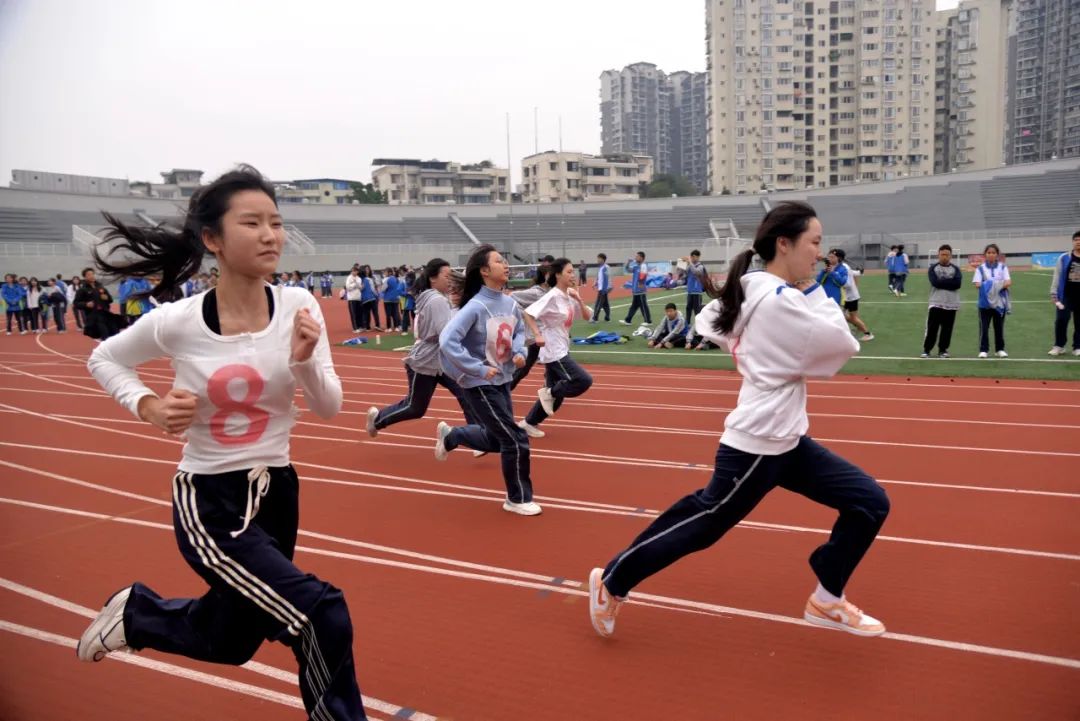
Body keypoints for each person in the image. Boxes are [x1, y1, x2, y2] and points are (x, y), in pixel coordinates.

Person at [79, 165, 368, 720]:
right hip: (211, 502)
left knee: (231, 642)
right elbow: (105, 357)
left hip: (278, 493)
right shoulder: (178, 322)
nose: (270, 235)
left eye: (276, 223)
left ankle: (138, 617)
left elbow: (329, 407)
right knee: (319, 612)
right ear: (212, 239)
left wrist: (303, 364)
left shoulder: (298, 307)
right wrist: (150, 406)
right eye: (253, 223)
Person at [587, 201, 890, 640]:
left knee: (869, 502)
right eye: (815, 243)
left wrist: (751, 352)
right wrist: (814, 291)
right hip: (758, 442)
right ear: (783, 245)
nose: (819, 255)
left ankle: (827, 598)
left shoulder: (751, 286)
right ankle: (612, 583)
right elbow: (840, 346)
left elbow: (712, 320)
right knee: (703, 524)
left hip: (786, 439)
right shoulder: (779, 300)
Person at [435, 244, 540, 516]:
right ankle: (517, 498)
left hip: (502, 380)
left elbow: (517, 331)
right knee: (515, 438)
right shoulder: (475, 307)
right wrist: (477, 369)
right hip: (479, 384)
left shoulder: (509, 302)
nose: (505, 265)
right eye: (498, 261)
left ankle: (455, 435)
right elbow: (448, 341)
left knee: (498, 440)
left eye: (505, 261)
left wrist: (519, 351)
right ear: (484, 271)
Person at [365, 258, 479, 436]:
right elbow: (445, 334)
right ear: (433, 278)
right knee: (415, 408)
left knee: (465, 393)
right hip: (425, 361)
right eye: (446, 275)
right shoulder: (436, 300)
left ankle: (478, 434)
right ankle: (378, 419)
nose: (450, 279)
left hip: (440, 359)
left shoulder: (436, 297)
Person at [517, 258, 594, 437]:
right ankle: (548, 392)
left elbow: (587, 316)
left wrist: (580, 299)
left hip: (562, 347)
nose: (572, 275)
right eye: (568, 272)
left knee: (557, 399)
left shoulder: (569, 294)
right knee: (583, 380)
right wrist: (537, 334)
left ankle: (528, 423)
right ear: (558, 275)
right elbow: (528, 313)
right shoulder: (551, 296)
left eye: (573, 272)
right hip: (553, 350)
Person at [509, 260, 552, 391]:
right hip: (536, 336)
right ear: (545, 276)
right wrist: (526, 314)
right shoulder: (536, 293)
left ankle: (550, 387)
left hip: (548, 335)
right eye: (552, 275)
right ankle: (505, 388)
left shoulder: (550, 292)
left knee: (554, 362)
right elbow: (511, 296)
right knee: (525, 368)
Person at [922, 244, 962, 358]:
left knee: (947, 329)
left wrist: (942, 282)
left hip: (951, 304)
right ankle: (927, 350)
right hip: (936, 303)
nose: (944, 257)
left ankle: (943, 350)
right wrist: (949, 282)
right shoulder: (933, 268)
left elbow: (957, 284)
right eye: (942, 254)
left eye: (947, 255)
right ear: (938, 255)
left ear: (951, 256)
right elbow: (935, 282)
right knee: (932, 328)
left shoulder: (956, 269)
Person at [973, 243, 1011, 358]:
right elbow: (977, 284)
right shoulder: (980, 268)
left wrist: (992, 285)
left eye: (993, 252)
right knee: (984, 327)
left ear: (997, 255)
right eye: (989, 252)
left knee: (999, 327)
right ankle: (983, 349)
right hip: (984, 303)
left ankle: (1000, 349)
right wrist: (994, 284)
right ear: (985, 254)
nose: (991, 254)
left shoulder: (1003, 267)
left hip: (1000, 303)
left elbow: (1008, 282)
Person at [1048, 230, 1080, 356]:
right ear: (1073, 242)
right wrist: (1053, 293)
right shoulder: (1064, 257)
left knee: (1079, 322)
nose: (1078, 242)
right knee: (1061, 319)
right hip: (1065, 295)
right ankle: (1059, 346)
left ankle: (1077, 346)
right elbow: (1057, 276)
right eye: (1076, 240)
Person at [832, 249, 873, 341]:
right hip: (849, 296)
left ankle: (868, 333)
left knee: (851, 317)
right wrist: (860, 272)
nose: (830, 258)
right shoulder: (842, 266)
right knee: (846, 315)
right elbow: (854, 273)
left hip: (850, 297)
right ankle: (858, 327)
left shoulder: (844, 267)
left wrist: (838, 280)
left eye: (832, 257)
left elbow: (847, 283)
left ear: (838, 258)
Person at [74, 267, 121, 340]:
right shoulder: (82, 290)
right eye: (89, 274)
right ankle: (105, 348)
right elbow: (76, 303)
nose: (92, 276)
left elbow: (110, 299)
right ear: (85, 277)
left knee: (115, 333)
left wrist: (107, 298)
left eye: (92, 274)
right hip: (94, 316)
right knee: (105, 334)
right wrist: (86, 304)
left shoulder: (100, 287)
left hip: (105, 313)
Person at [620, 251, 652, 325]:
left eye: (637, 256)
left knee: (643, 306)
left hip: (640, 290)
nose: (635, 257)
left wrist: (640, 283)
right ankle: (628, 320)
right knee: (633, 306)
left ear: (641, 258)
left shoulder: (643, 266)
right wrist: (628, 263)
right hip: (635, 290)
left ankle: (648, 321)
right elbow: (628, 269)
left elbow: (643, 276)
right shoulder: (636, 266)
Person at [681, 250, 707, 329]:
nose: (692, 258)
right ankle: (687, 324)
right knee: (688, 308)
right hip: (690, 291)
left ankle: (699, 326)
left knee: (697, 310)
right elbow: (682, 274)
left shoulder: (701, 266)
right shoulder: (689, 265)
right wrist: (681, 264)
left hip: (697, 292)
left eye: (694, 257)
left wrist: (689, 262)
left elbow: (696, 272)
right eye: (692, 257)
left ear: (698, 257)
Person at [592, 253, 612, 322]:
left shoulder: (607, 267)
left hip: (604, 289)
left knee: (598, 304)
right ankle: (607, 317)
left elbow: (609, 278)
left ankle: (595, 318)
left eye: (599, 258)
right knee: (605, 304)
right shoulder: (600, 268)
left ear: (603, 259)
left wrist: (609, 287)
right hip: (600, 288)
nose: (597, 260)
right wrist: (595, 283)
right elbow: (599, 278)